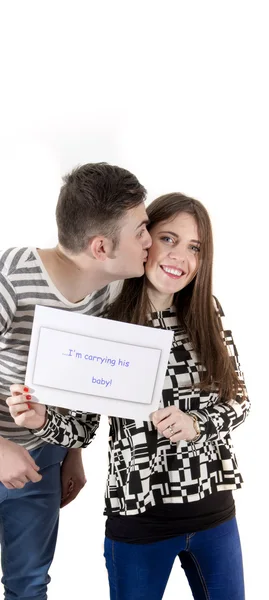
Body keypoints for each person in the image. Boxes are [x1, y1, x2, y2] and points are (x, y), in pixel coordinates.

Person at [8, 193, 250, 600]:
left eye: (194, 247)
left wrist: (196, 423)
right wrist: (42, 420)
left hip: (214, 513)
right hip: (139, 518)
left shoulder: (207, 310)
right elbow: (84, 428)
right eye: (168, 239)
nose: (180, 256)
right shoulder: (107, 321)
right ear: (144, 240)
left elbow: (239, 402)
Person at [0, 162, 152, 600]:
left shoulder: (105, 291)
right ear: (101, 246)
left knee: (29, 586)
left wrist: (72, 454)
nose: (149, 241)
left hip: (40, 459)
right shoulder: (10, 278)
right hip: (4, 448)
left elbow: (81, 383)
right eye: (141, 230)